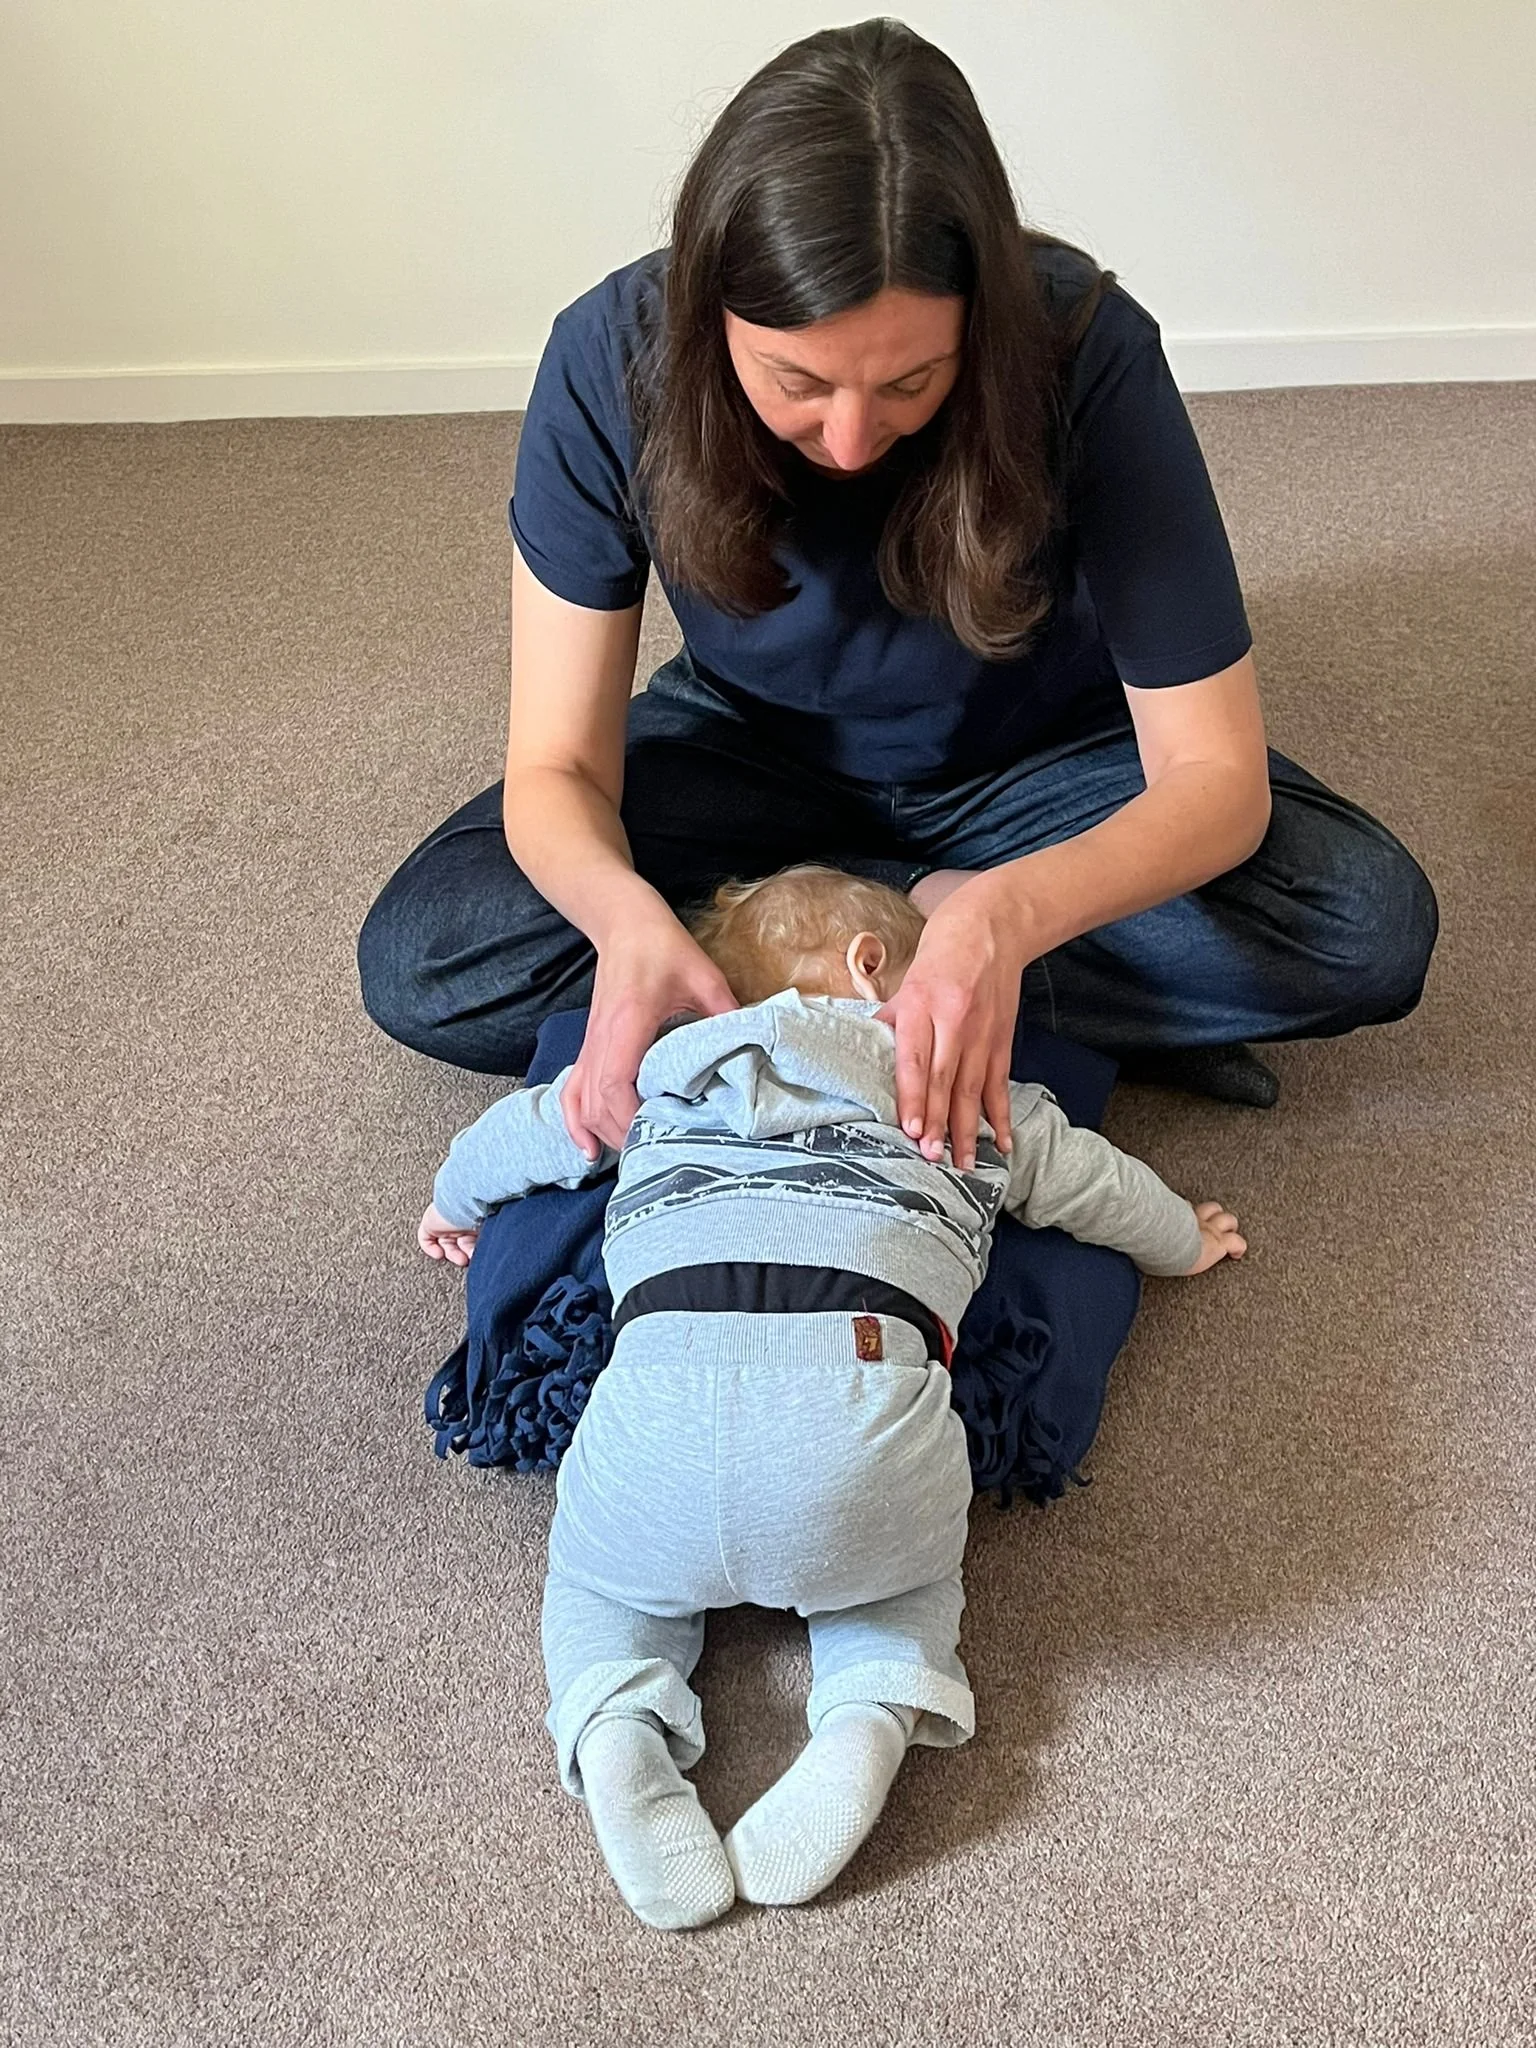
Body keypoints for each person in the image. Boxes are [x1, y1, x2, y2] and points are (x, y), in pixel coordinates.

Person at [358, 18, 1437, 1166]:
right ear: (712, 318)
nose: (853, 436)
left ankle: (826, 955)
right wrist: (623, 924)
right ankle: (946, 975)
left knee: (1363, 924)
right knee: (429, 953)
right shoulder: (608, 360)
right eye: (797, 380)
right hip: (749, 747)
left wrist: (1006, 912)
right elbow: (559, 768)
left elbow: (1215, 779)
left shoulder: (1088, 351)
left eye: (912, 380)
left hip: (1033, 755)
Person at [418, 868, 1247, 1927]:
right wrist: (1184, 1238)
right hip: (857, 1429)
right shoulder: (953, 1076)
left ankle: (617, 1726)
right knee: (900, 1587)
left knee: (599, 1586)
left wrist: (451, 1199)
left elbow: (531, 1129)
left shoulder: (657, 1071)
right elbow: (1094, 1181)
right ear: (873, 966)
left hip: (654, 1411)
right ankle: (869, 1711)